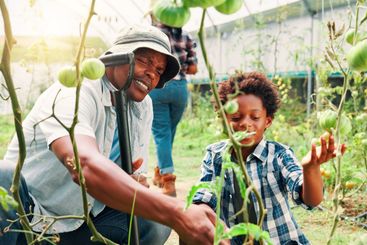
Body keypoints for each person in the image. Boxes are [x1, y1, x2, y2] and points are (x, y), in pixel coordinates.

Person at [0, 24, 219, 245]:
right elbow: (82, 164)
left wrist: (133, 181)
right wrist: (177, 212)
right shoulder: (75, 91)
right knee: (2, 175)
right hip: (27, 219)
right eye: (144, 60)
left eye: (159, 70)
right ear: (115, 57)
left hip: (83, 222)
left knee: (153, 221)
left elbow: (132, 174)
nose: (152, 73)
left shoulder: (142, 107)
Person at [192, 71, 346, 244]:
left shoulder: (279, 155)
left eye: (255, 117)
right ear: (223, 119)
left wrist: (310, 169)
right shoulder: (215, 155)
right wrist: (205, 220)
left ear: (267, 121)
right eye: (236, 117)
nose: (245, 123)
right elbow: (204, 196)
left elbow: (311, 200)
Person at [149, 19, 198, 197]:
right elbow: (193, 68)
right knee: (167, 133)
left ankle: (168, 180)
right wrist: (180, 64)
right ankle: (160, 172)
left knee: (162, 134)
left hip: (158, 86)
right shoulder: (186, 35)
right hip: (179, 90)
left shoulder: (151, 32)